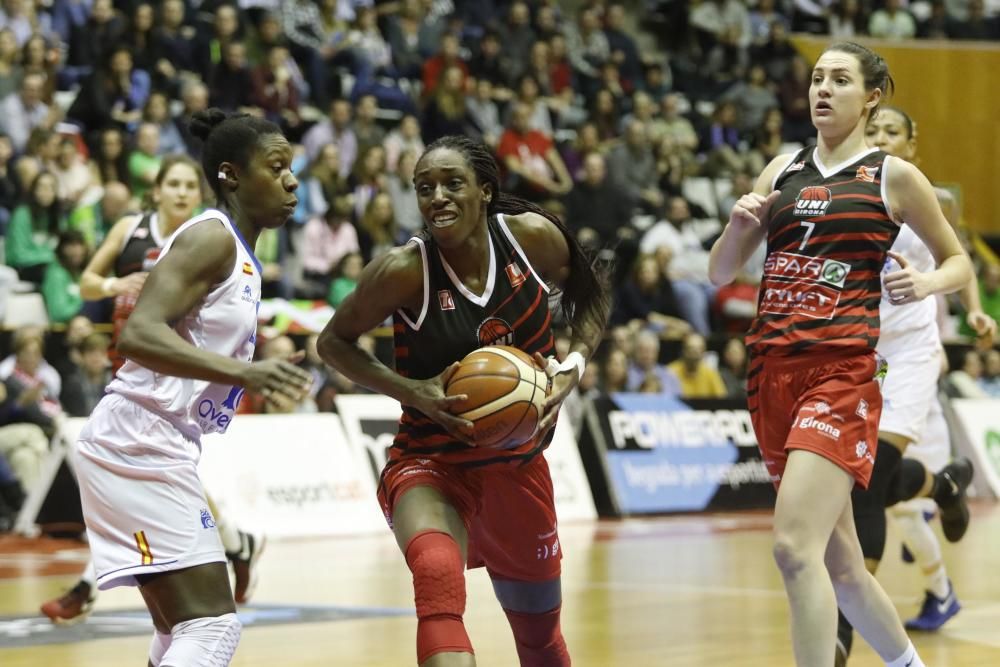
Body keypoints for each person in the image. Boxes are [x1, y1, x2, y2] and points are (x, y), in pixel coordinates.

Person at [708, 42, 973, 667]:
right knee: (843, 564)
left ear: (871, 96)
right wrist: (739, 227)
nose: (822, 89)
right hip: (770, 375)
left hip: (841, 375)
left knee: (794, 549)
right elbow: (722, 273)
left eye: (840, 80)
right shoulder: (780, 170)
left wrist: (927, 283)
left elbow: (958, 260)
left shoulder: (893, 176)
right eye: (817, 78)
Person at [317, 134, 611, 667]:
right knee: (436, 582)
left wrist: (573, 364)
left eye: (453, 183)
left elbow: (593, 294)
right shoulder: (403, 270)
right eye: (424, 187)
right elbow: (332, 343)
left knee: (540, 640)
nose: (437, 197)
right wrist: (413, 393)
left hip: (519, 468)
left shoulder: (533, 241)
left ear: (486, 192)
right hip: (431, 463)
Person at [65, 109, 312, 667]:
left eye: (291, 167)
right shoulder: (210, 238)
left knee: (180, 631)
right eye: (276, 168)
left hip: (161, 440)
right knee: (212, 629)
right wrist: (247, 373)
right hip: (137, 438)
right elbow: (138, 333)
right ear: (230, 175)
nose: (291, 180)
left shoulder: (240, 253)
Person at [832, 105, 994, 664]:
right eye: (872, 131)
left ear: (912, 141)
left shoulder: (928, 197)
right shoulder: (850, 193)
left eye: (891, 131)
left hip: (913, 353)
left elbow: (962, 260)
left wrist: (969, 309)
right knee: (866, 478)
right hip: (861, 353)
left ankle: (842, 632)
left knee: (868, 482)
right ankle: (942, 487)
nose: (880, 139)